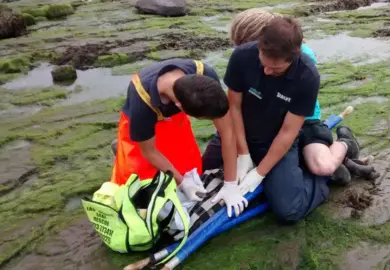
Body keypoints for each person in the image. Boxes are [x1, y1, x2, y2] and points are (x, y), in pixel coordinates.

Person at [202, 16, 360, 223]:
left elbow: (288, 132)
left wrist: (259, 173)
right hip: (241, 130)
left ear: (293, 58)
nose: (267, 71)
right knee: (203, 172)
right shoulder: (242, 56)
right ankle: (284, 168)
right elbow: (234, 107)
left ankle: (316, 177)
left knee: (289, 211)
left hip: (275, 138)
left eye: (276, 69)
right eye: (263, 63)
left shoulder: (307, 76)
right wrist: (243, 153)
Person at [109, 58, 247, 218]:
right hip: (144, 127)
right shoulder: (141, 100)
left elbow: (227, 132)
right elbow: (150, 152)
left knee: (190, 170)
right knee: (142, 184)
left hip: (173, 121)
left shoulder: (205, 77)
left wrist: (230, 185)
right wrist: (182, 182)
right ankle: (122, 148)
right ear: (180, 107)